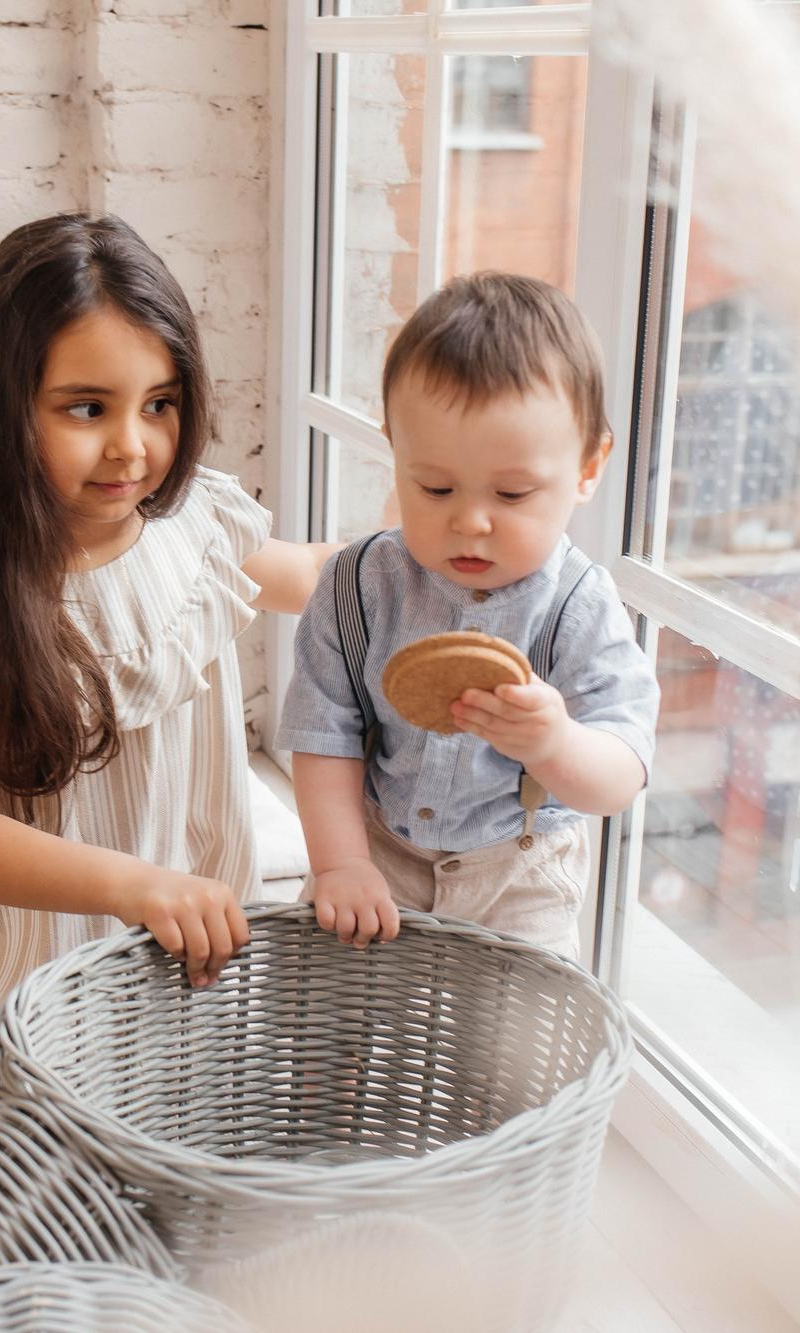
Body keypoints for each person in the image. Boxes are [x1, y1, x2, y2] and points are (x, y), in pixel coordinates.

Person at [0, 212, 332, 1146]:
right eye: (86, 407)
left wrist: (454, 533)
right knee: (43, 1165)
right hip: (8, 991)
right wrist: (133, 884)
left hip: (181, 964)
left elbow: (319, 577)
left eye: (160, 403)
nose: (132, 448)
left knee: (239, 1138)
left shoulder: (199, 529)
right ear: (3, 406)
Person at [276, 272, 659, 955]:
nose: (470, 521)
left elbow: (621, 775)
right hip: (376, 846)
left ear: (588, 465)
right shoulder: (357, 587)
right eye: (435, 487)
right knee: (324, 1016)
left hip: (520, 870)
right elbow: (323, 736)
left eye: (512, 494)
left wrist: (554, 744)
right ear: (395, 447)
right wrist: (341, 863)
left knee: (519, 1054)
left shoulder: (580, 606)